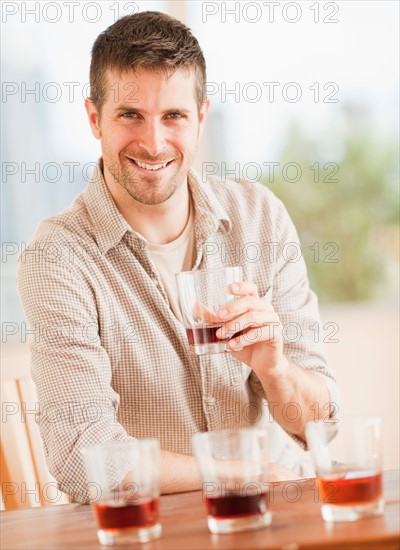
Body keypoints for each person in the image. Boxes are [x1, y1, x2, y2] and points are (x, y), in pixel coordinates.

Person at [17, 11, 338, 504]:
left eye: (173, 116)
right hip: (153, 532)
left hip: (279, 518)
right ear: (93, 118)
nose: (153, 142)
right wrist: (245, 471)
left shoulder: (259, 217)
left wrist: (277, 371)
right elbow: (87, 460)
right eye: (130, 115)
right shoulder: (57, 257)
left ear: (201, 118)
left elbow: (323, 428)